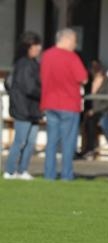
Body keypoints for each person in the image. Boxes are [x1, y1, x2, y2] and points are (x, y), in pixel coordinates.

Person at [40, 28, 88, 180]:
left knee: (51, 142)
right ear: (66, 40)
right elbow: (83, 78)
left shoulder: (46, 55)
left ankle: (49, 174)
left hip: (49, 102)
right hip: (68, 103)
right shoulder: (71, 57)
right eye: (74, 40)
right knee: (68, 143)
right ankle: (67, 175)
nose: (75, 44)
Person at [3, 31, 42, 180]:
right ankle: (10, 170)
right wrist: (44, 93)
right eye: (35, 45)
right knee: (20, 141)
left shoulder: (32, 64)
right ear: (28, 47)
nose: (38, 48)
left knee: (31, 141)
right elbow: (29, 87)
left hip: (32, 108)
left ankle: (23, 169)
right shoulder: (24, 64)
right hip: (23, 108)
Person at [78, 59, 108, 160]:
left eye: (96, 68)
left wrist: (95, 110)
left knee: (91, 121)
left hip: (102, 111)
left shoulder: (106, 81)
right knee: (82, 120)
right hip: (88, 110)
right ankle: (83, 149)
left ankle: (90, 149)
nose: (94, 70)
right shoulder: (88, 81)